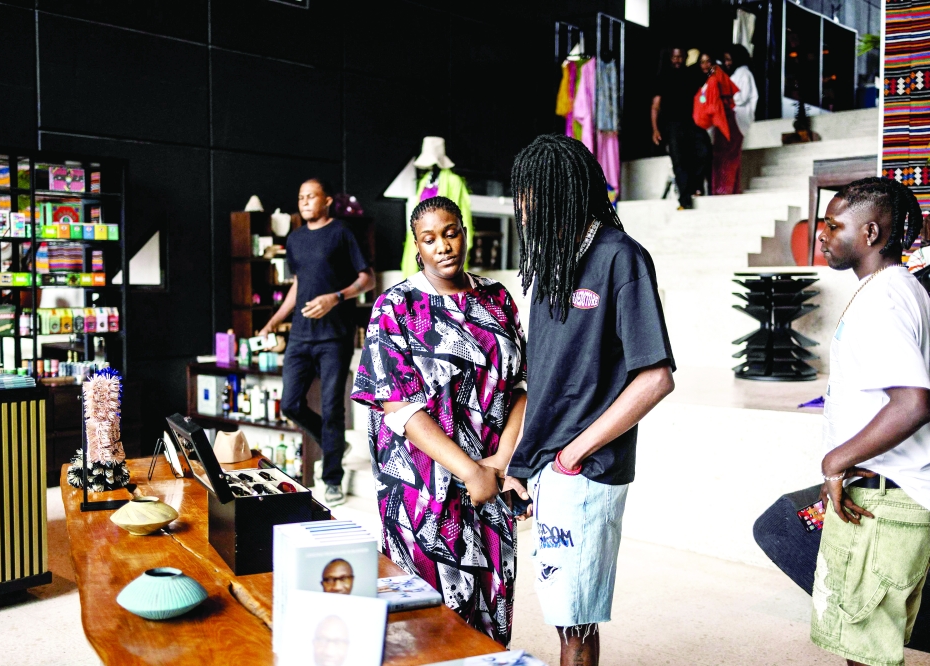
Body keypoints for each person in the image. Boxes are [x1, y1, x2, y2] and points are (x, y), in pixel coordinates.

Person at [506, 134, 675, 666]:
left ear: (568, 192)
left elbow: (655, 378)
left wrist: (573, 453)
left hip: (585, 468)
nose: (526, 211)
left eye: (536, 197)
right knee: (562, 618)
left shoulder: (621, 258)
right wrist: (523, 461)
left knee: (575, 626)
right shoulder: (550, 262)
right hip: (547, 466)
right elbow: (547, 380)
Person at [351, 195, 527, 646]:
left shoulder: (497, 298)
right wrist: (470, 471)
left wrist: (500, 463)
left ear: (464, 234)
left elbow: (522, 385)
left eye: (450, 232)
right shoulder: (396, 306)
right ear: (417, 248)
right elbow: (398, 405)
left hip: (492, 479)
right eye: (429, 239)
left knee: (491, 602)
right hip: (423, 486)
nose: (443, 245)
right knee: (430, 619)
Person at [811, 177, 930, 666]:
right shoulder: (896, 289)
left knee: (864, 653)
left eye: (833, 224)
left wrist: (835, 460)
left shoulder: (884, 299)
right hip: (886, 492)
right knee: (867, 648)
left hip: (883, 501)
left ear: (871, 234)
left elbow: (912, 403)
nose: (821, 233)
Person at [258, 178, 375, 508]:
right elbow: (298, 285)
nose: (305, 201)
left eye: (312, 196)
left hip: (333, 336)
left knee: (332, 408)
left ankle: (332, 478)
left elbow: (367, 279)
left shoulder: (341, 232)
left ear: (326, 202)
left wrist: (336, 297)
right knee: (290, 405)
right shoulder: (294, 240)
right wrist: (272, 321)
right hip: (299, 335)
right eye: (300, 197)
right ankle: (332, 443)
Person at [651, 46, 710, 209]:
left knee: (702, 153)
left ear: (684, 57)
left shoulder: (691, 74)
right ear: (670, 58)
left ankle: (695, 187)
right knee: (679, 161)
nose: (677, 60)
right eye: (674, 57)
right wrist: (655, 129)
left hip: (692, 122)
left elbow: (707, 83)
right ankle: (685, 200)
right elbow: (655, 106)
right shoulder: (662, 77)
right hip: (672, 125)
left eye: (680, 57)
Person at [694, 50, 741, 195]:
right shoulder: (713, 77)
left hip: (723, 120)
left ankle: (723, 191)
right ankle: (728, 190)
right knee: (727, 157)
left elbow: (714, 105)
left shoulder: (714, 78)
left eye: (708, 61)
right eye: (702, 62)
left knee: (723, 158)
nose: (705, 65)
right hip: (724, 120)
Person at [724, 44, 759, 155]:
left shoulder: (744, 74)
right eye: (725, 60)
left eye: (729, 60)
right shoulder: (737, 74)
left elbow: (741, 97)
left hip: (740, 118)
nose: (727, 63)